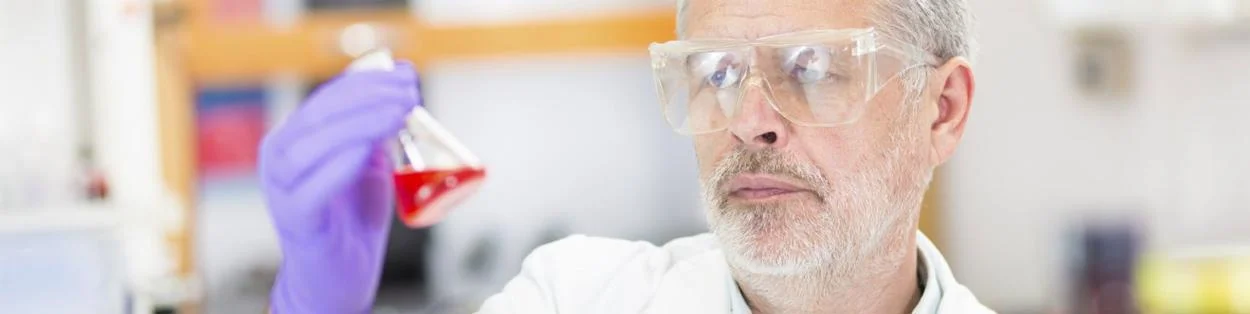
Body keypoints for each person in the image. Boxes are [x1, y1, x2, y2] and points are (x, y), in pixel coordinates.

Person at [259, 0, 987, 312]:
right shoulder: (576, 299)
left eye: (813, 68)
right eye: (717, 73)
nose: (748, 123)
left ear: (942, 110)